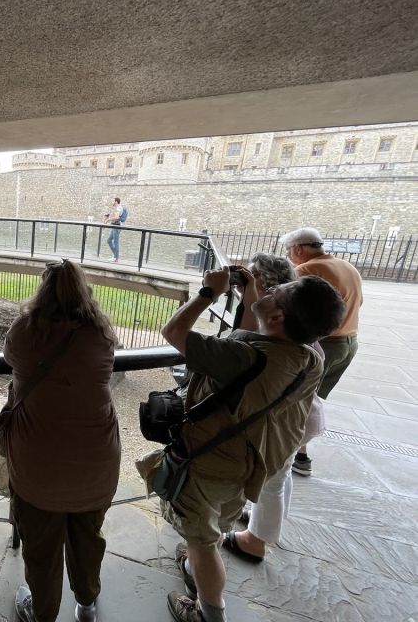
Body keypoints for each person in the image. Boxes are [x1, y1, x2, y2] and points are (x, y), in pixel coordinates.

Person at [144, 267, 344, 622]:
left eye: (277, 291)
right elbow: (261, 341)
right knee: (217, 525)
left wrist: (208, 294)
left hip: (209, 464)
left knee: (203, 543)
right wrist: (251, 296)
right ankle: (196, 560)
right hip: (249, 461)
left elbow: (174, 332)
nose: (269, 290)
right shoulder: (310, 357)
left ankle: (208, 611)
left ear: (279, 314)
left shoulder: (240, 357)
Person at [3, 259, 120, 622]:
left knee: (41, 548)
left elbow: (9, 358)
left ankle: (43, 612)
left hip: (39, 462)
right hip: (96, 459)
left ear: (43, 289)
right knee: (88, 537)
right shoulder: (100, 334)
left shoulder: (26, 331)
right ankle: (86, 604)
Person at [226, 254, 326, 562]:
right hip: (301, 412)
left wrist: (247, 298)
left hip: (290, 417)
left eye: (252, 275)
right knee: (279, 478)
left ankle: (255, 542)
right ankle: (265, 524)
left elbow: (239, 343)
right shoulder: (298, 318)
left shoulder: (276, 321)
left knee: (273, 481)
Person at [281, 227, 363, 476]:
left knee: (300, 400)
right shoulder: (347, 266)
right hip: (349, 344)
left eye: (288, 251)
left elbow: (280, 303)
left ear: (298, 249)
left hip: (325, 345)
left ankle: (294, 456)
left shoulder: (306, 270)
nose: (289, 256)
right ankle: (299, 454)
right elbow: (358, 303)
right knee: (310, 399)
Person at [105, 198, 123, 262]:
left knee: (116, 242)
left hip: (116, 227)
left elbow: (116, 217)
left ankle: (116, 258)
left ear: (116, 201)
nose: (112, 202)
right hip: (114, 226)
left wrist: (108, 219)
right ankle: (115, 256)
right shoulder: (118, 207)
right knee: (109, 240)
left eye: (113, 201)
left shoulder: (118, 208)